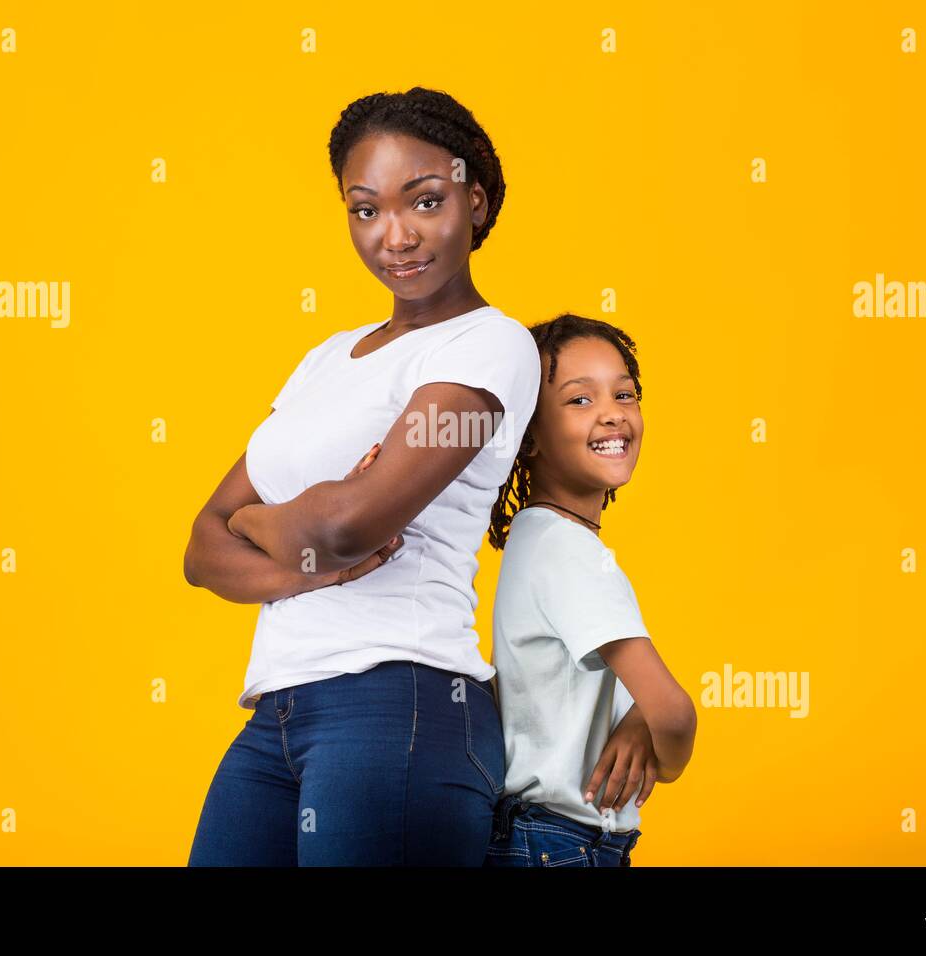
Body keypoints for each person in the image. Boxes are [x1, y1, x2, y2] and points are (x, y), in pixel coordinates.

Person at [182, 88, 541, 866]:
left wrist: (273, 521)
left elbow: (348, 526)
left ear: (474, 202)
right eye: (366, 209)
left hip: (399, 702)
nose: (397, 236)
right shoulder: (327, 358)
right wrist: (305, 559)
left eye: (426, 201)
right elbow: (202, 548)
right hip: (277, 710)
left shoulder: (489, 347)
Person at [482, 313, 698, 867]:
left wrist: (637, 718)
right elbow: (674, 714)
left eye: (624, 394)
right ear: (530, 437)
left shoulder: (537, 537)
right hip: (562, 845)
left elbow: (624, 699)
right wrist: (663, 758)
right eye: (579, 400)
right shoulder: (568, 550)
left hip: (537, 837)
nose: (611, 414)